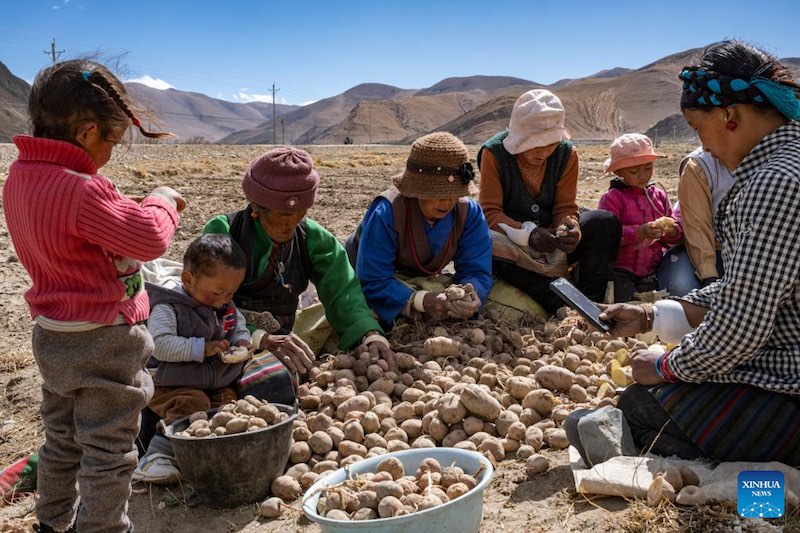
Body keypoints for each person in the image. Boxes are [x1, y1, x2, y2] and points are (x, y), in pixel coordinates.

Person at [568, 40, 800, 466]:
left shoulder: (774, 182)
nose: (704, 146)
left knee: (638, 406)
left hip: (790, 383)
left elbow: (741, 325)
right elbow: (753, 288)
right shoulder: (790, 163)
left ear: (729, 115)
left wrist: (665, 366)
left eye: (697, 129)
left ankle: (760, 494)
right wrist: (655, 314)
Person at [3, 60, 184, 533]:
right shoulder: (81, 190)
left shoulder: (20, 177)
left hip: (53, 335)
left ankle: (53, 525)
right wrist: (161, 199)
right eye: (111, 140)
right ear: (86, 132)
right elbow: (147, 239)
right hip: (105, 338)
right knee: (108, 450)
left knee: (61, 441)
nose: (109, 153)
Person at [204, 145, 396, 372]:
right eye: (284, 214)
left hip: (283, 340)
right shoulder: (225, 231)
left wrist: (369, 335)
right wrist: (259, 337)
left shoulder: (314, 238)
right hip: (224, 337)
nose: (291, 223)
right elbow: (205, 300)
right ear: (256, 206)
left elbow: (343, 291)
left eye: (300, 212)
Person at [478, 89, 621, 313]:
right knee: (483, 242)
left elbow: (565, 207)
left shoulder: (567, 154)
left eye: (551, 144)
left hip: (552, 241)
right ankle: (556, 300)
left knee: (604, 222)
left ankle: (591, 300)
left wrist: (570, 228)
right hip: (514, 242)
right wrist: (529, 233)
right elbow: (490, 212)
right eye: (535, 145)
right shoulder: (494, 154)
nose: (544, 152)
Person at [133, 234, 253, 484]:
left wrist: (242, 341)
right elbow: (159, 345)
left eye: (231, 292)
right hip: (170, 383)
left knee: (228, 405)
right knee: (192, 404)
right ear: (188, 279)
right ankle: (157, 456)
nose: (223, 300)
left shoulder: (224, 305)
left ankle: (207, 452)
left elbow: (237, 324)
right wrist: (201, 348)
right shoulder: (170, 306)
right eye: (217, 292)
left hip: (213, 381)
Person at [347, 132, 493, 325]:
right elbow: (372, 279)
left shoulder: (468, 212)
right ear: (416, 191)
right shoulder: (388, 211)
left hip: (423, 280)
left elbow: (477, 268)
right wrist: (421, 300)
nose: (448, 201)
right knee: (359, 317)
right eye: (438, 194)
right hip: (370, 276)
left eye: (454, 193)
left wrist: (471, 294)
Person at [598, 133, 682, 302]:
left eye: (648, 168)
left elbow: (673, 235)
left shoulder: (659, 195)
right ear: (618, 171)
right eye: (634, 171)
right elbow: (608, 236)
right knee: (627, 304)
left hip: (652, 270)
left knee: (655, 306)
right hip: (621, 270)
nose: (643, 175)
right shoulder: (613, 198)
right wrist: (640, 232)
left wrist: (672, 231)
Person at [658, 147, 733, 296]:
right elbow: (696, 226)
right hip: (700, 248)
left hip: (743, 253)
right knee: (682, 288)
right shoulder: (699, 165)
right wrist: (709, 276)